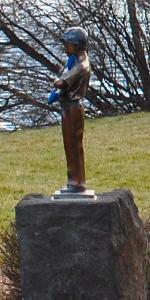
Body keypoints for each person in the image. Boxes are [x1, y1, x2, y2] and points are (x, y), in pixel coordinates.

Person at [49, 27, 93, 193]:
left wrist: (57, 79)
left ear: (76, 45)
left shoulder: (80, 66)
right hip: (69, 107)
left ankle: (76, 181)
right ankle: (74, 180)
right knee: (71, 145)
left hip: (73, 107)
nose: (66, 49)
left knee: (73, 144)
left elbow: (61, 83)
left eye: (67, 45)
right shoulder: (76, 63)